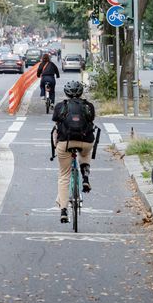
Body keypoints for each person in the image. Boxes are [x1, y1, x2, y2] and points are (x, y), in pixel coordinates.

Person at [52, 80, 96, 223]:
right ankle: (85, 175)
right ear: (81, 92)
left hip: (65, 143)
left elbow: (56, 127)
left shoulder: (60, 107)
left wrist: (55, 146)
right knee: (85, 152)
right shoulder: (89, 106)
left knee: (64, 175)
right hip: (86, 142)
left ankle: (64, 210)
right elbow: (91, 122)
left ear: (66, 93)